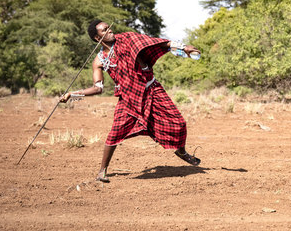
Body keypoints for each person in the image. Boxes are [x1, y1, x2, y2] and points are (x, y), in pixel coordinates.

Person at [60, 20, 201, 182]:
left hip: (151, 89)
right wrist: (72, 95)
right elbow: (97, 88)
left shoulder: (128, 39)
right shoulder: (99, 61)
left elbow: (157, 43)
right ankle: (102, 171)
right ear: (97, 38)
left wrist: (183, 48)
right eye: (104, 30)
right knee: (115, 134)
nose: (110, 30)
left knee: (179, 123)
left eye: (109, 27)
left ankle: (182, 152)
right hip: (129, 99)